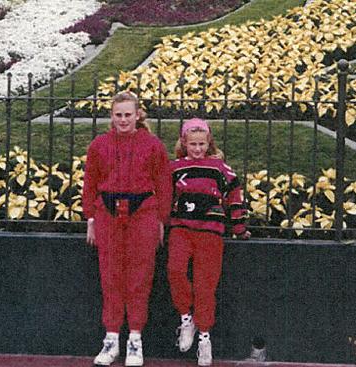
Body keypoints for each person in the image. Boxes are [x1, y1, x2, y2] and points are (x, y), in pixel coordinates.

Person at [83, 91, 172, 367]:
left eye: (128, 115)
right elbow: (90, 182)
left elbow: (164, 184)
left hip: (143, 213)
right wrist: (90, 218)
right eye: (118, 115)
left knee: (139, 277)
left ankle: (135, 340)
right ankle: (111, 340)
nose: (123, 120)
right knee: (110, 276)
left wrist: (161, 220)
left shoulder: (153, 145)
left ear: (137, 116)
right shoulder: (99, 145)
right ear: (112, 116)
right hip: (108, 214)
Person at [167, 118, 250, 366]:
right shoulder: (174, 168)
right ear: (184, 143)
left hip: (211, 233)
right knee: (175, 271)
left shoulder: (221, 169)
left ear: (209, 143)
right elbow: (164, 199)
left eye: (202, 144)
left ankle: (204, 336)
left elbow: (234, 198)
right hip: (181, 229)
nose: (197, 149)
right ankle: (186, 318)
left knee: (206, 285)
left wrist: (239, 227)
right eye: (192, 144)